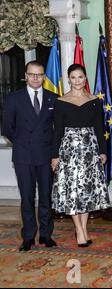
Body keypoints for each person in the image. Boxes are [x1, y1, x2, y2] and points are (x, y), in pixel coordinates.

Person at [51, 64, 111, 247]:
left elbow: (99, 129)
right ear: (69, 79)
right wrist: (55, 155)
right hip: (69, 151)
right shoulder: (61, 101)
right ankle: (78, 230)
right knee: (73, 192)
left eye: (80, 77)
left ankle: (84, 229)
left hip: (90, 150)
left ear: (85, 79)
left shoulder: (94, 101)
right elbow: (57, 131)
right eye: (73, 77)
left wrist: (102, 151)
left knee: (85, 192)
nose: (77, 81)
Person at [1, 61, 58, 251]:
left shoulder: (53, 98)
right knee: (26, 198)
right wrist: (22, 141)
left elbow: (57, 129)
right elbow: (8, 128)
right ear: (26, 76)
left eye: (39, 75)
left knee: (45, 198)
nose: (35, 78)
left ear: (43, 77)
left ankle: (45, 234)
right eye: (32, 74)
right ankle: (28, 237)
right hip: (23, 156)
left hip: (45, 156)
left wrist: (54, 154)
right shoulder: (14, 98)